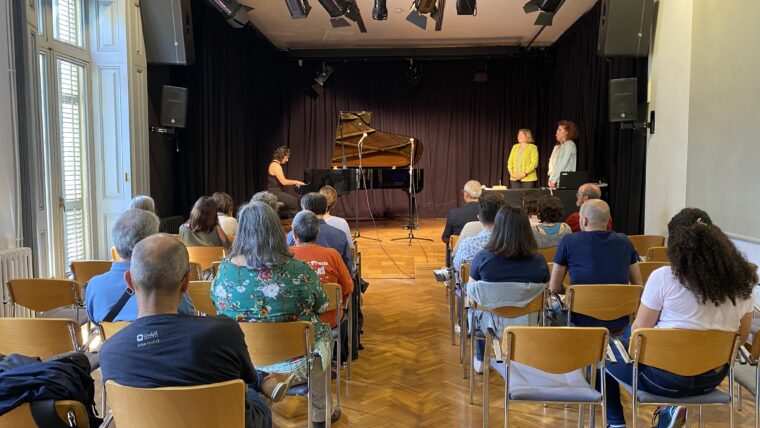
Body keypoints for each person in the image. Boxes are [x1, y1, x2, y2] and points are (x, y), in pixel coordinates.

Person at [99, 234, 285, 428]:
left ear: (129, 280)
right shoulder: (223, 333)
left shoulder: (109, 352)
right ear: (186, 282)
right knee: (248, 391)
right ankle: (261, 380)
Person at [604, 211, 756, 428]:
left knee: (606, 348)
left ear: (676, 244)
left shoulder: (664, 277)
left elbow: (640, 331)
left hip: (663, 380)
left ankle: (617, 422)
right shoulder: (742, 284)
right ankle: (669, 410)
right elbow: (741, 337)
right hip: (711, 378)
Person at [212, 202, 337, 427]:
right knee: (323, 336)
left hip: (243, 360)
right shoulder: (299, 271)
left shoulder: (224, 270)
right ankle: (319, 414)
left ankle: (258, 403)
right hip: (298, 362)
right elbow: (322, 305)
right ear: (276, 230)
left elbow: (216, 304)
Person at [468, 205, 550, 373]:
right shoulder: (539, 261)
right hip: (527, 324)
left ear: (498, 228)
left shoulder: (483, 257)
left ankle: (481, 358)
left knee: (477, 305)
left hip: (489, 326)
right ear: (526, 229)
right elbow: (545, 290)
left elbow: (472, 290)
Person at [85, 209, 195, 323]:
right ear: (151, 243)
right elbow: (188, 316)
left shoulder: (94, 286)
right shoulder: (167, 283)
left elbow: (95, 324)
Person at [549, 200, 642, 330]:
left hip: (580, 322)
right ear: (608, 220)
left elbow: (554, 287)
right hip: (620, 323)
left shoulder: (569, 241)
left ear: (584, 221)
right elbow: (638, 286)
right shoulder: (625, 241)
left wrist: (575, 293)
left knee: (550, 311)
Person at [290, 211, 354, 329]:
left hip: (294, 322)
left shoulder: (284, 256)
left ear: (294, 234)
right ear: (318, 232)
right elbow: (348, 287)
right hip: (329, 320)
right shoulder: (333, 255)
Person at [286, 193, 353, 273]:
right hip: (334, 278)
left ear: (304, 210)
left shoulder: (293, 234)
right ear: (326, 209)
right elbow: (348, 267)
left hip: (301, 278)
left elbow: (287, 261)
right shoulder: (340, 234)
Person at [452, 192, 505, 273]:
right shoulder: (514, 244)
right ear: (504, 217)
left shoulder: (467, 245)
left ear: (479, 218)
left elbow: (456, 267)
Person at [267, 146, 304, 219]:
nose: (287, 160)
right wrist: (296, 181)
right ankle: (295, 223)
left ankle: (286, 220)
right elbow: (283, 182)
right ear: (281, 156)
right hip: (274, 192)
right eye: (286, 157)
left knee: (292, 202)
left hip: (277, 191)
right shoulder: (275, 166)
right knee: (294, 202)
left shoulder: (276, 165)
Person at [442, 180, 482, 245]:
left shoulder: (454, 214)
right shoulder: (490, 213)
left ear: (466, 194)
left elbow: (445, 238)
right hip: (483, 250)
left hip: (459, 250)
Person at [547, 120, 578, 189]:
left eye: (560, 130)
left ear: (566, 132)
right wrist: (552, 178)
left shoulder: (569, 144)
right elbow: (557, 164)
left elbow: (563, 163)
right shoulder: (563, 145)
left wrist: (553, 179)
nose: (557, 132)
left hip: (565, 180)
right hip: (560, 179)